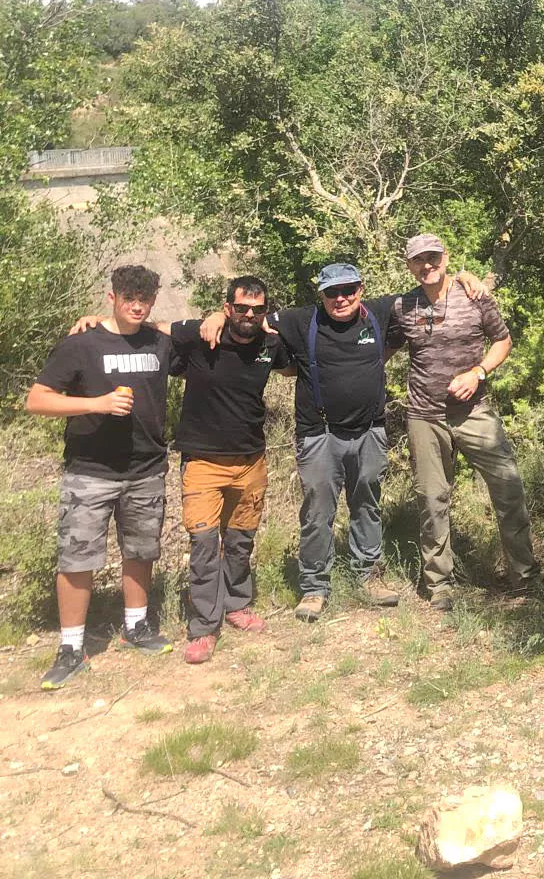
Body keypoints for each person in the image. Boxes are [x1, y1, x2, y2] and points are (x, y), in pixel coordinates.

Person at [27, 265, 174, 689]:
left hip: (146, 468)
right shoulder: (82, 343)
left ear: (153, 300)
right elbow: (37, 400)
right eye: (129, 298)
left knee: (141, 551)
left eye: (144, 299)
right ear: (112, 297)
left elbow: (194, 334)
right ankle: (71, 647)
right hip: (90, 471)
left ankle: (136, 627)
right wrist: (96, 404)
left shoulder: (158, 341)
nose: (137, 306)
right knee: (77, 559)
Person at [389, 234, 536, 611]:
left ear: (446, 258)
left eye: (433, 257)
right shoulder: (402, 306)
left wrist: (478, 373)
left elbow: (503, 341)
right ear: (409, 266)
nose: (427, 265)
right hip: (425, 415)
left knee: (508, 487)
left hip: (474, 412)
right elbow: (376, 347)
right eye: (418, 260)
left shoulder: (475, 296)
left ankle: (523, 574)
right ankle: (440, 584)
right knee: (432, 498)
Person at [258, 262, 406, 622]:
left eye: (348, 290)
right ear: (321, 294)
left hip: (370, 431)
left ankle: (369, 576)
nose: (341, 298)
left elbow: (427, 296)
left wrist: (464, 278)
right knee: (317, 512)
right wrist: (217, 317)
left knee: (367, 504)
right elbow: (252, 318)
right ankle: (314, 587)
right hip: (319, 434)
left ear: (361, 289)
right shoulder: (300, 320)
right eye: (332, 292)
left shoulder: (380, 313)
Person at [167, 277, 290, 663]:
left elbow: (295, 362)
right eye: (241, 308)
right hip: (203, 462)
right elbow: (153, 329)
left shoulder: (271, 345)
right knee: (205, 546)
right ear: (227, 308)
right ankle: (205, 627)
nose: (249, 314)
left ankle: (237, 604)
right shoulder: (201, 337)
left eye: (257, 309)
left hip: (251, 460)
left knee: (240, 542)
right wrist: (95, 324)